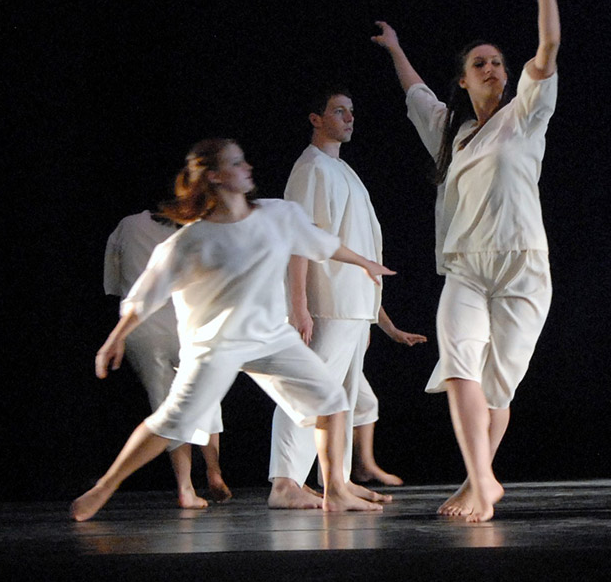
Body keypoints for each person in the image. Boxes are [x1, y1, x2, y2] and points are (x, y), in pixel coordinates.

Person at [72, 139, 393, 521]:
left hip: (271, 336)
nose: (247, 168)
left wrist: (364, 263)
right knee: (173, 421)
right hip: (215, 345)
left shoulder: (278, 215)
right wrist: (116, 337)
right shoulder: (190, 241)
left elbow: (322, 244)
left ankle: (336, 491)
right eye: (237, 163)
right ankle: (104, 486)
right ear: (214, 177)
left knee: (332, 399)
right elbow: (145, 296)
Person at [371, 0, 560, 522]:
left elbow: (548, 50)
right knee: (458, 368)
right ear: (464, 77)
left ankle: (479, 480)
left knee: (497, 388)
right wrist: (397, 47)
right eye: (480, 63)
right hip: (466, 269)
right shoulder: (450, 132)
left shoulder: (524, 117)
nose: (493, 68)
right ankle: (482, 483)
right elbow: (416, 93)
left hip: (524, 267)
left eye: (499, 62)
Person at [268, 90, 427, 509]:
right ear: (316, 118)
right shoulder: (310, 169)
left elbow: (364, 253)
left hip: (354, 306)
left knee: (341, 397)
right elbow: (298, 237)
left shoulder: (345, 172)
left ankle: (335, 479)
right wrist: (299, 304)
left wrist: (380, 319)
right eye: (339, 110)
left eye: (352, 111)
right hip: (327, 303)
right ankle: (284, 481)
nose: (349, 117)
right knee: (308, 388)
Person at [105, 210, 233, 507]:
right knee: (207, 394)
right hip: (188, 322)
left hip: (143, 328)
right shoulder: (196, 227)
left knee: (166, 405)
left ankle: (185, 487)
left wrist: (119, 337)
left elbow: (115, 284)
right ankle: (214, 471)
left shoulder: (127, 225)